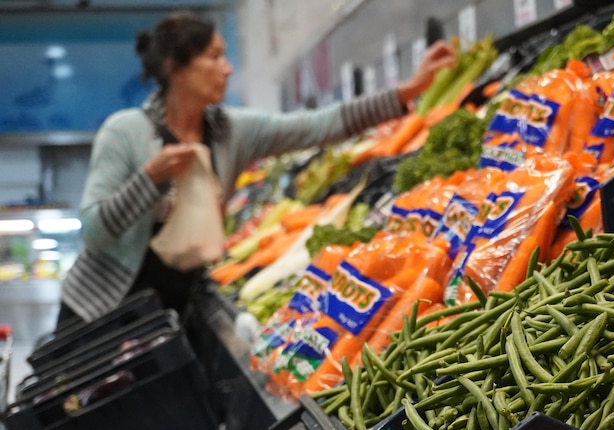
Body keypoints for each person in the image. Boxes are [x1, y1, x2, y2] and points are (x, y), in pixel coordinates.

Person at [56, 10, 456, 329]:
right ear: (177, 68)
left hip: (168, 312)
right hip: (101, 314)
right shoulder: (125, 132)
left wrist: (407, 91)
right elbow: (92, 230)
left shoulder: (229, 131)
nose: (227, 68)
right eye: (214, 57)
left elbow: (319, 125)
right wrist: (148, 179)